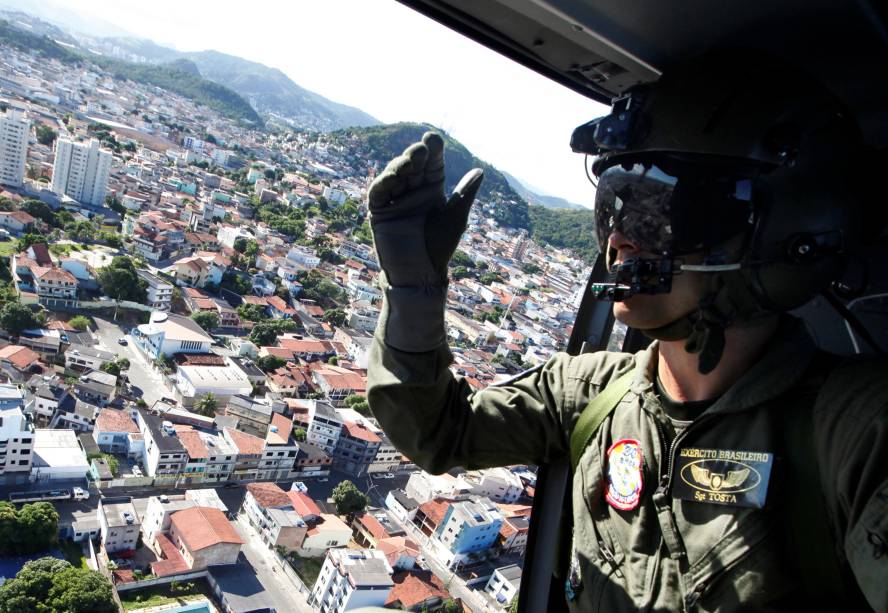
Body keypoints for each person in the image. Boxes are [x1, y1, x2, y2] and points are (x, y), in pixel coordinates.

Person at [366, 53, 887, 612]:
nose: (620, 241)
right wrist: (413, 292)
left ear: (785, 236)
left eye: (665, 214)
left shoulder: (857, 432)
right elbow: (437, 432)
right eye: (616, 206)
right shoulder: (588, 393)